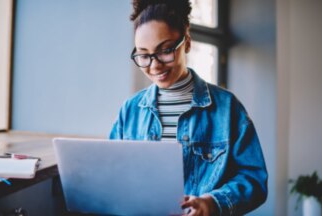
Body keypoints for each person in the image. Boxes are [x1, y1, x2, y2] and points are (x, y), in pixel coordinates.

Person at [110, 0, 268, 215]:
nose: (154, 65)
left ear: (187, 42)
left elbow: (254, 179)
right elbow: (112, 174)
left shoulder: (227, 108)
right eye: (144, 55)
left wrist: (213, 203)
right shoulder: (129, 111)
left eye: (165, 51)